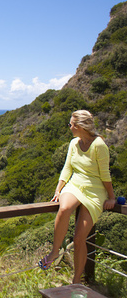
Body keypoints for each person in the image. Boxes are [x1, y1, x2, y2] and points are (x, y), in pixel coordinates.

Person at [38, 110, 116, 284]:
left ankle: (76, 281)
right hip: (75, 184)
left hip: (95, 190)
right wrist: (58, 189)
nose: (69, 127)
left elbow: (105, 174)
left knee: (80, 239)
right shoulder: (73, 143)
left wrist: (111, 198)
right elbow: (67, 168)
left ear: (80, 126)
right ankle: (54, 251)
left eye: (71, 124)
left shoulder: (99, 145)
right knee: (64, 208)